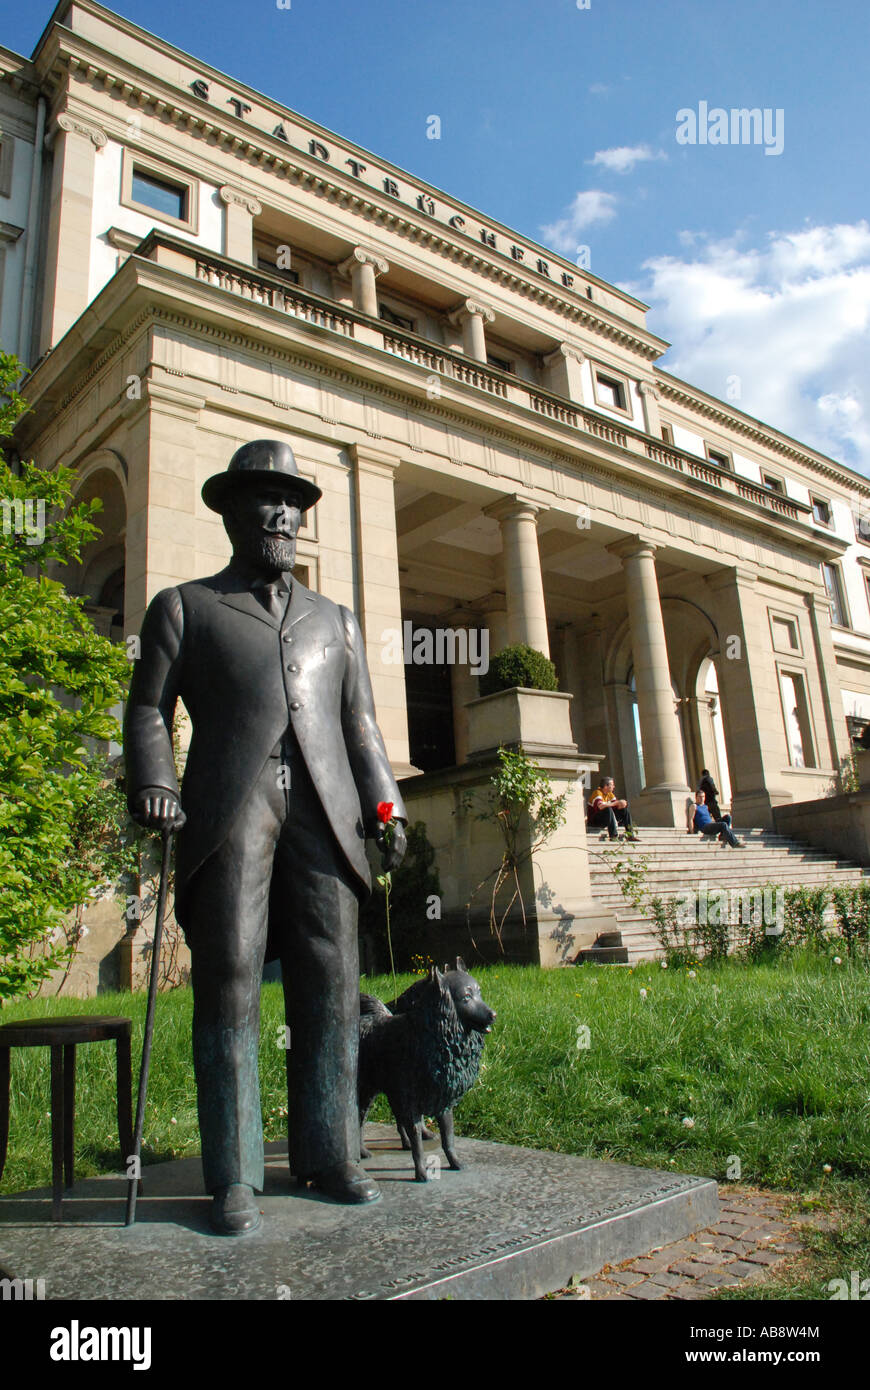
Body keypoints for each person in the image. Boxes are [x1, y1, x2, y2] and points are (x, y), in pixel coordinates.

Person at [124, 440, 407, 1236]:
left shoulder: (336, 620)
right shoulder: (185, 606)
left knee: (331, 977)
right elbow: (149, 707)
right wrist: (154, 782)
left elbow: (362, 726)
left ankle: (331, 1150)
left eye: (293, 502)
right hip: (229, 807)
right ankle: (235, 1173)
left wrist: (388, 809)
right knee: (232, 977)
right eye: (265, 499)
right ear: (231, 512)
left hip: (329, 810)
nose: (283, 514)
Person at [588, 776, 638, 841]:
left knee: (625, 811)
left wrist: (622, 804)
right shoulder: (597, 793)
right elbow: (600, 806)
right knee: (607, 808)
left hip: (606, 818)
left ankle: (630, 835)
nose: (614, 786)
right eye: (612, 785)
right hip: (595, 821)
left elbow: (616, 805)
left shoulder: (609, 794)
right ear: (606, 786)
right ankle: (613, 836)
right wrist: (617, 803)